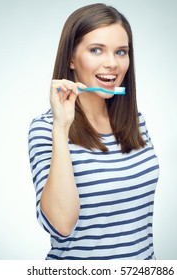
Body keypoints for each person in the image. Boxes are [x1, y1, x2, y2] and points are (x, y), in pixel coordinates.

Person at [28, 3, 159, 260]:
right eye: (96, 50)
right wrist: (61, 126)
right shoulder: (46, 129)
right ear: (71, 59)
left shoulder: (136, 122)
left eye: (121, 52)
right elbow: (61, 225)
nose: (111, 63)